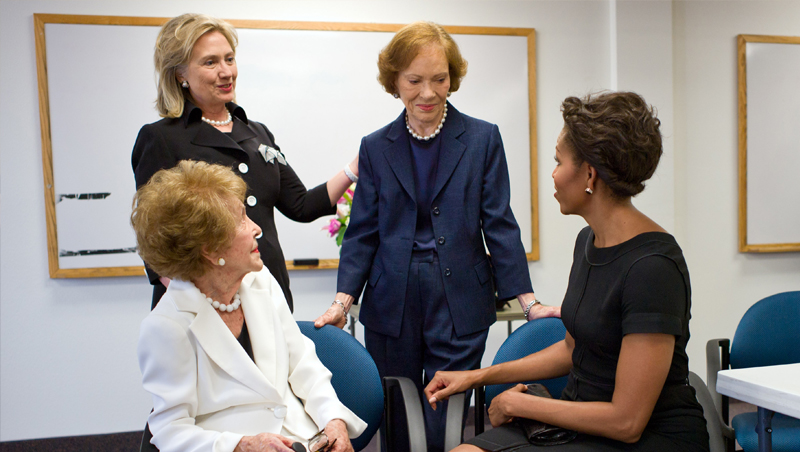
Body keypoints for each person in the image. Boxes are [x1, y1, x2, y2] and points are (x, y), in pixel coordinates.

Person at [313, 21, 559, 452]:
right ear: (395, 82)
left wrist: (529, 302)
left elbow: (499, 223)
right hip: (392, 300)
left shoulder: (482, 139)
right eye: (414, 81)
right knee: (396, 415)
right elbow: (363, 231)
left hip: (460, 298)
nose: (428, 93)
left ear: (453, 77)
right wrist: (342, 302)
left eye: (440, 79)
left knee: (443, 418)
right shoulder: (375, 146)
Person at [423, 92, 710, 452]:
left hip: (646, 437)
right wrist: (477, 376)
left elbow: (627, 422)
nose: (554, 175)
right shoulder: (588, 241)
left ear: (589, 174)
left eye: (558, 161)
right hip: (581, 420)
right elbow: (573, 349)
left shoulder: (653, 268)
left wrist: (521, 404)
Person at [133, 160, 367, 452]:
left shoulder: (261, 281)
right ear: (209, 249)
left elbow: (304, 366)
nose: (257, 228)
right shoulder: (165, 327)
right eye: (242, 219)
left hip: (302, 439)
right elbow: (170, 430)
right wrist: (240, 445)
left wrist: (333, 420)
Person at [132, 13, 359, 311]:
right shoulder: (160, 138)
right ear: (180, 74)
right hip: (204, 304)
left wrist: (354, 169)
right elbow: (154, 237)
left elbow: (301, 205)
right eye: (210, 62)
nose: (226, 72)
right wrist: (194, 297)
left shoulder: (257, 132)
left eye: (229, 58)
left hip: (269, 295)